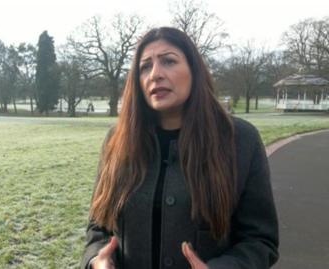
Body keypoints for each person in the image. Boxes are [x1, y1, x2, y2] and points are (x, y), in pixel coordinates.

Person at [81, 27, 278, 269]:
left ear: (194, 70)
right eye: (145, 66)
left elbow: (260, 240)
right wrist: (96, 260)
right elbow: (97, 227)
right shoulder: (117, 141)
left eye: (168, 61)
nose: (155, 74)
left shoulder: (239, 140)